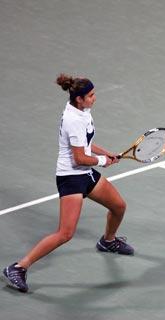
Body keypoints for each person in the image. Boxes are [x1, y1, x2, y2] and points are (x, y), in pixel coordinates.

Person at [2, 74, 134, 293]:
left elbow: (86, 144)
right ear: (79, 99)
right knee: (65, 233)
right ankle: (17, 268)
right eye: (91, 95)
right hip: (71, 178)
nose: (95, 98)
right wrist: (102, 161)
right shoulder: (73, 120)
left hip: (85, 173)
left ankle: (108, 241)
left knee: (119, 206)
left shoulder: (83, 111)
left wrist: (107, 153)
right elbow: (79, 158)